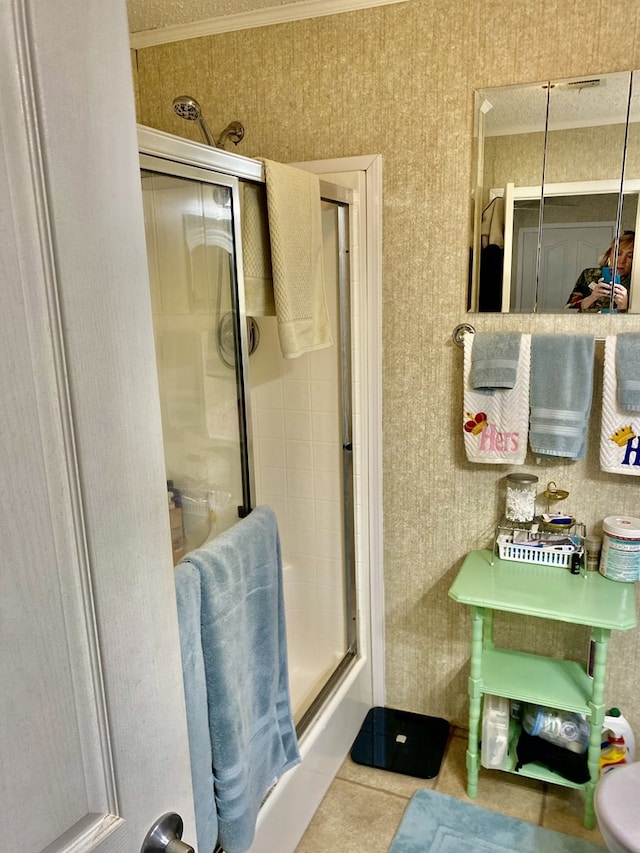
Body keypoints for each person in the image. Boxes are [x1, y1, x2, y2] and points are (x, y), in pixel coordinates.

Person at [566, 230, 634, 312]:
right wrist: (592, 298)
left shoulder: (635, 284)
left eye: (630, 256)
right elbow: (568, 310)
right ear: (609, 254)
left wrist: (623, 307)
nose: (622, 261)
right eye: (618, 253)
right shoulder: (589, 275)